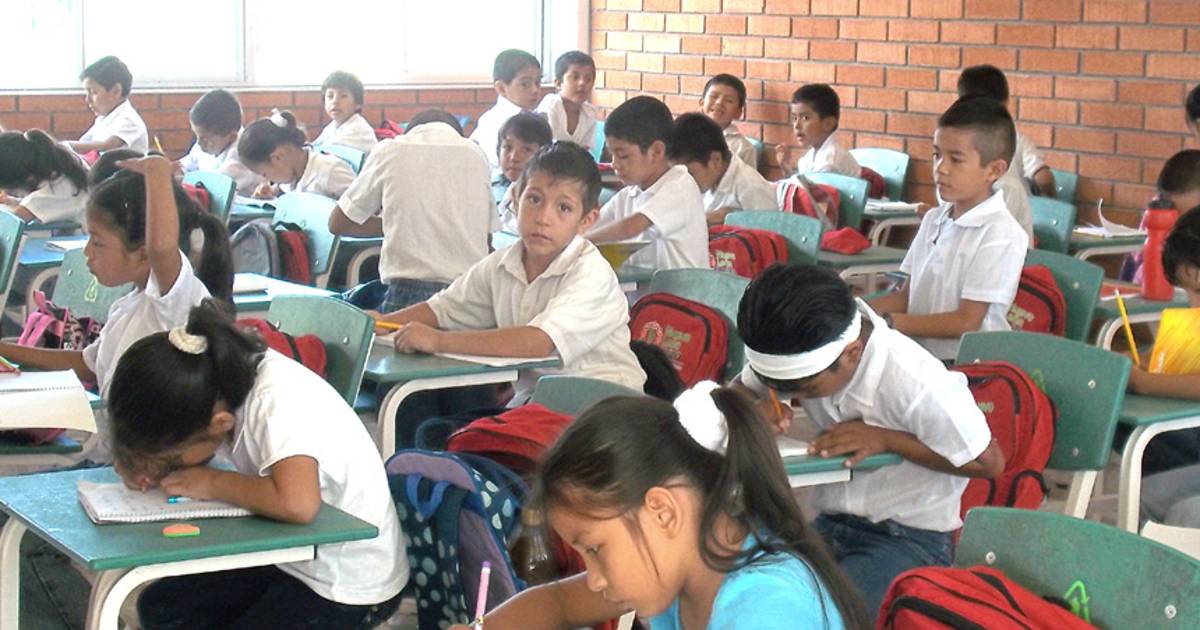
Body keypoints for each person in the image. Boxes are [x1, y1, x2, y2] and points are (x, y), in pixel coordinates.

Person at [451, 384, 868, 629]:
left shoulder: (766, 608)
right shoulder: (685, 560)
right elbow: (558, 603)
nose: (594, 580)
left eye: (594, 549)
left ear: (663, 512)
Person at [107, 303, 406, 629]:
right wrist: (141, 463)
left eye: (172, 459)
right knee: (162, 608)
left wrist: (211, 482)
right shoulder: (211, 383)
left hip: (345, 582)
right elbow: (185, 439)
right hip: (289, 557)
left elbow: (298, 504)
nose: (173, 468)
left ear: (219, 424)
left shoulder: (273, 402)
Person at [737, 263, 1002, 618]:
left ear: (852, 353)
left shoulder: (916, 383)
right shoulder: (799, 347)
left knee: (832, 618)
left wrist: (888, 440)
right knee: (754, 602)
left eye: (805, 390)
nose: (793, 396)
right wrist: (758, 406)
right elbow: (744, 389)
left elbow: (989, 462)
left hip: (909, 536)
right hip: (829, 521)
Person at [374, 143, 645, 448]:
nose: (543, 217)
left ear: (587, 220)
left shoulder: (591, 273)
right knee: (433, 429)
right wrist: (381, 323)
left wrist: (438, 341)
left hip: (602, 416)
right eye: (534, 199)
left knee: (446, 439)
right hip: (538, 407)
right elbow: (443, 309)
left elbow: (539, 341)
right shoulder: (502, 264)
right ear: (516, 199)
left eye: (563, 208)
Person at [869, 97, 1028, 361]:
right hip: (920, 357)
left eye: (956, 159)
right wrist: (856, 311)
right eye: (937, 155)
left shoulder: (1000, 233)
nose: (940, 168)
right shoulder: (934, 219)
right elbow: (907, 297)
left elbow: (966, 321)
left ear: (994, 170)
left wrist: (888, 322)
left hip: (965, 366)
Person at [328, 109, 496, 313]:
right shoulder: (476, 154)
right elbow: (486, 242)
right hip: (470, 295)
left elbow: (338, 222)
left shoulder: (391, 149)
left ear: (409, 131)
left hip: (408, 294)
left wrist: (398, 223)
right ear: (458, 134)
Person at [587, 96, 707, 271]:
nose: (614, 164)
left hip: (687, 289)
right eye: (612, 155)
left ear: (656, 152)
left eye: (623, 156)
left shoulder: (680, 186)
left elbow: (631, 227)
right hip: (646, 288)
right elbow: (591, 224)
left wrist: (581, 244)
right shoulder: (629, 195)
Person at [669, 113, 777, 226]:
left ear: (715, 160)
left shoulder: (752, 189)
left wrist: (733, 221)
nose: (683, 182)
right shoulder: (707, 178)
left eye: (690, 174)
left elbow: (771, 233)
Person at [238, 110, 355, 200]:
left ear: (277, 158)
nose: (267, 180)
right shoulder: (291, 172)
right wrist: (271, 192)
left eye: (265, 174)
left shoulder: (331, 172)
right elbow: (287, 189)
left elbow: (361, 208)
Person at [177, 89, 263, 195]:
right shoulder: (205, 144)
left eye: (205, 139)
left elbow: (213, 187)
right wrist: (176, 171)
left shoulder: (242, 157)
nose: (199, 143)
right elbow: (186, 165)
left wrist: (180, 180)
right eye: (196, 135)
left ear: (232, 137)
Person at [471, 49, 542, 170]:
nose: (535, 90)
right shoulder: (493, 121)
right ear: (501, 88)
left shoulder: (536, 116)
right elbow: (497, 166)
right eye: (525, 84)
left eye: (538, 82)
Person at [0, 129, 89, 224]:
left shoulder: (50, 192)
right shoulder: (61, 162)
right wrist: (14, 201)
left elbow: (7, 224)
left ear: (29, 178)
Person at [67, 56, 149, 155]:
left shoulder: (129, 120)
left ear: (116, 91)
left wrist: (67, 145)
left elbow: (107, 145)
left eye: (93, 92)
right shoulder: (104, 118)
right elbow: (84, 143)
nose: (87, 99)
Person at [775, 84, 860, 179]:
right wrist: (786, 167)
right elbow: (804, 184)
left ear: (828, 124)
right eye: (794, 118)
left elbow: (807, 188)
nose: (797, 125)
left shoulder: (829, 163)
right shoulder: (812, 155)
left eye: (805, 118)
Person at [496, 112, 553, 233]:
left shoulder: (545, 201)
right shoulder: (505, 191)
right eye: (508, 147)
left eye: (527, 149)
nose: (514, 157)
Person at [536, 51, 598, 151]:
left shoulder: (590, 112)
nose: (582, 83)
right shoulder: (551, 104)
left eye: (588, 79)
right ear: (558, 83)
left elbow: (584, 151)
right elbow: (543, 146)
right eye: (575, 77)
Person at [312, 70, 379, 154]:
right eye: (330, 96)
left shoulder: (358, 130)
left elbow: (324, 152)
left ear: (357, 103)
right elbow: (314, 146)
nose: (335, 101)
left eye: (343, 96)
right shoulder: (332, 126)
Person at [701, 73, 758, 170]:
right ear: (702, 103)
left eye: (729, 100)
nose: (719, 102)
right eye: (714, 96)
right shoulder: (686, 135)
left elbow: (749, 179)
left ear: (738, 112)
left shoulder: (743, 148)